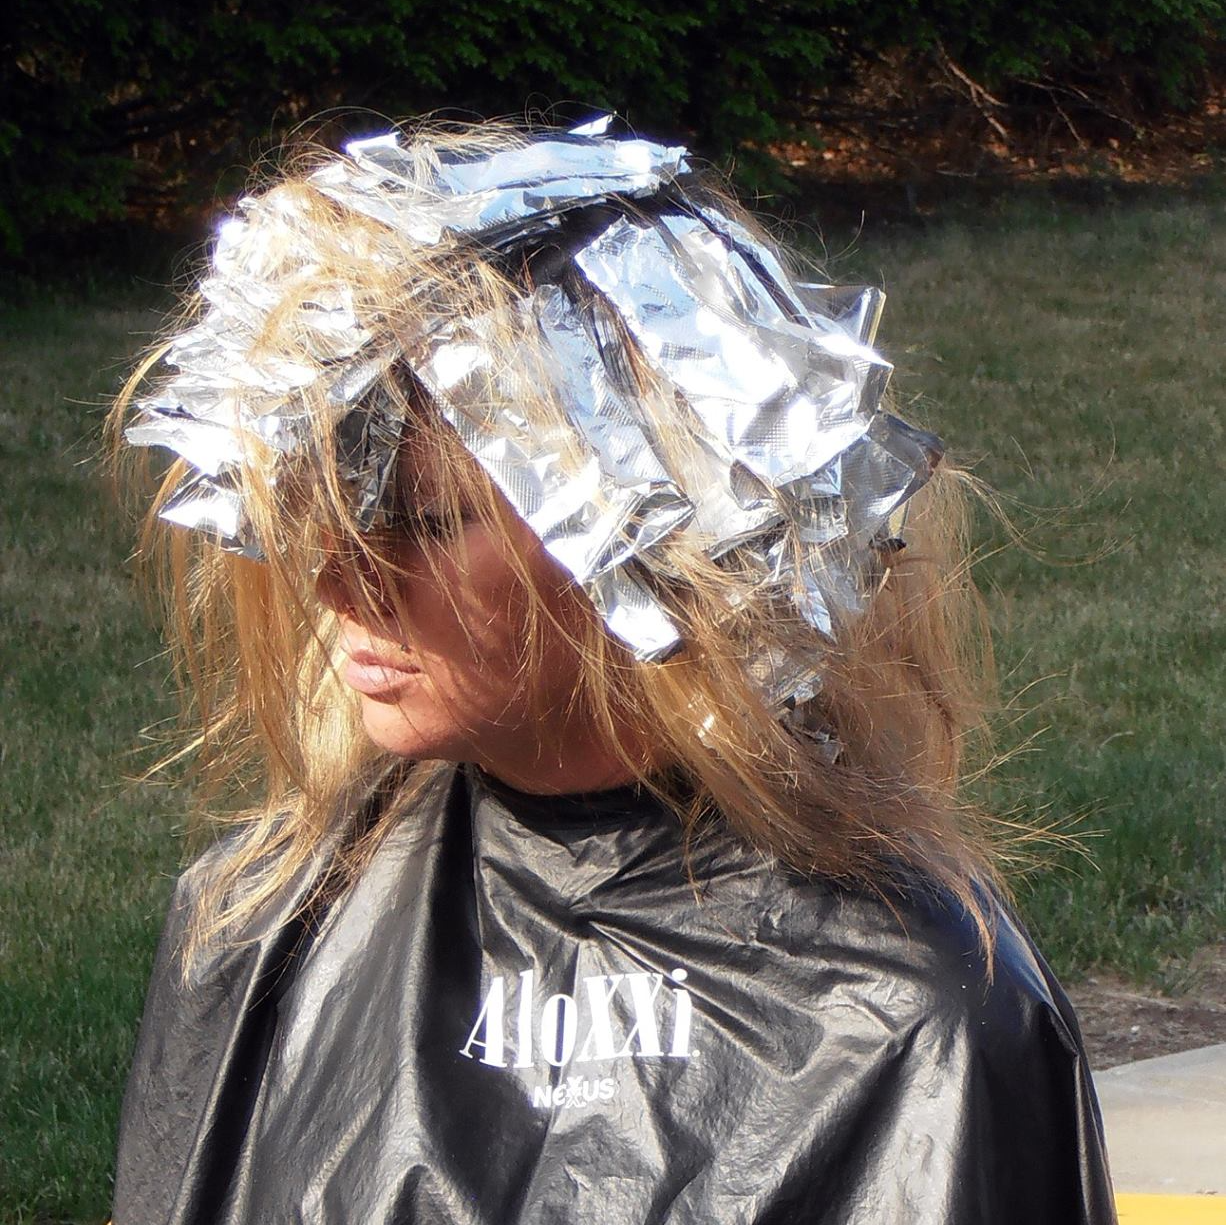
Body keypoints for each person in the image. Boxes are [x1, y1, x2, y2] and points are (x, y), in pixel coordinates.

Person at [108, 116, 1116, 1224]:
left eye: (423, 519)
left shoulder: (900, 1020)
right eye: (315, 510)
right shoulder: (258, 933)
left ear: (652, 531)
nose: (337, 578)